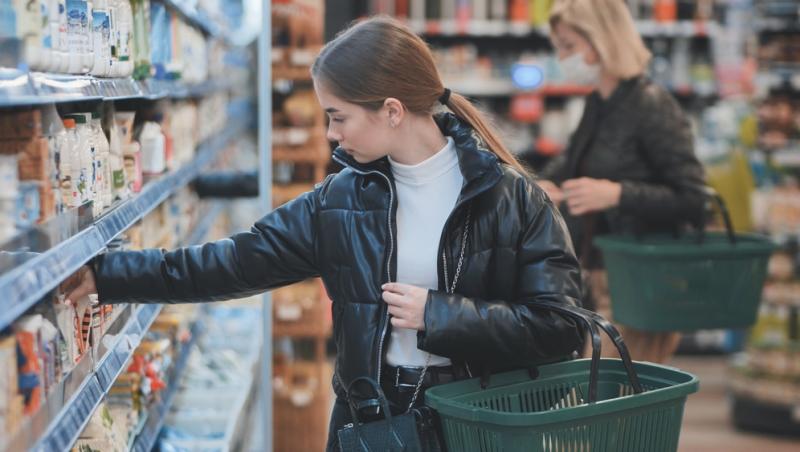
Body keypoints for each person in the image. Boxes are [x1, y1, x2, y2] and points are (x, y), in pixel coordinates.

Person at [63, 17, 584, 451]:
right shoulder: (341, 199)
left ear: (392, 111)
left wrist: (439, 314)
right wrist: (106, 274)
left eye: (338, 117)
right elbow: (235, 263)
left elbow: (562, 328)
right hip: (374, 423)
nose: (331, 134)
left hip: (478, 422)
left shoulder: (512, 198)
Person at [538, 0, 707, 364]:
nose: (562, 57)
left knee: (610, 400)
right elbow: (573, 163)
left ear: (602, 39)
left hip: (641, 280)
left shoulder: (651, 104)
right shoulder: (599, 103)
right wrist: (546, 185)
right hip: (599, 272)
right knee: (601, 397)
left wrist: (616, 194)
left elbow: (693, 197)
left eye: (568, 46)